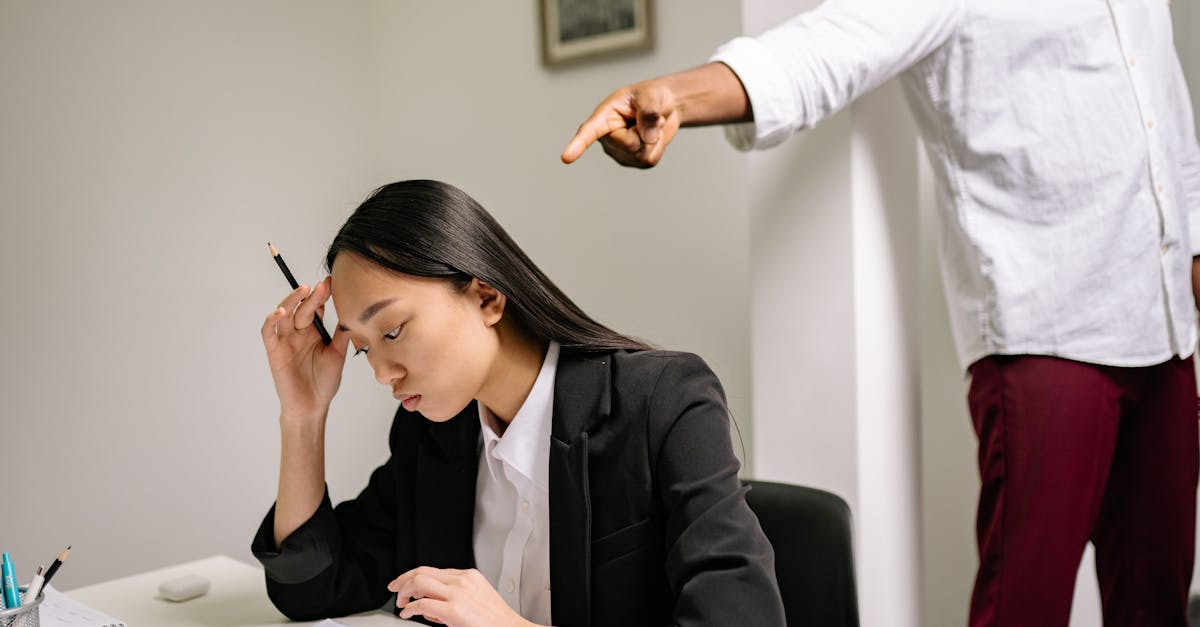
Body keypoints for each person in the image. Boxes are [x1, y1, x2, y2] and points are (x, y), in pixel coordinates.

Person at [561, 2, 1200, 626]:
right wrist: (674, 95)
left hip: (1166, 323)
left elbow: (1163, 109)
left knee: (1159, 599)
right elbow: (818, 51)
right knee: (1025, 606)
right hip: (1047, 328)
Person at [250, 179, 785, 627]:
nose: (380, 372)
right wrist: (304, 413)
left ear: (486, 297)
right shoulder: (431, 432)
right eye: (363, 347)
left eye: (392, 331)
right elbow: (311, 589)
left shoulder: (662, 402)